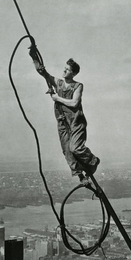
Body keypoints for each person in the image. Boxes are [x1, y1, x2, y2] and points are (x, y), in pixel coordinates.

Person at [29, 45, 100, 185]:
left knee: (76, 148)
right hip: (62, 121)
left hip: (76, 122)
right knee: (67, 151)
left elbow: (74, 103)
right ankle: (81, 177)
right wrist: (33, 56)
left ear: (73, 73)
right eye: (64, 68)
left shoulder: (78, 86)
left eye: (67, 69)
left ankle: (93, 160)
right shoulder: (58, 83)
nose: (64, 70)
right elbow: (43, 73)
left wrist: (57, 98)